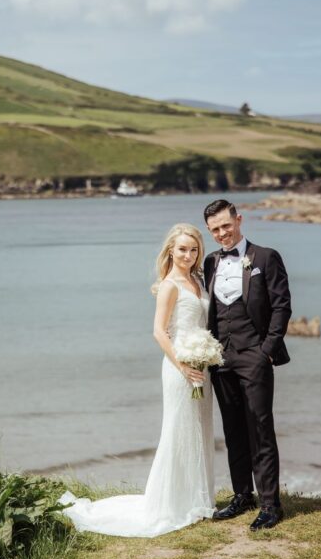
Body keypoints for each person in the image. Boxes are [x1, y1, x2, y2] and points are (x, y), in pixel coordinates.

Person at [60, 224, 215, 537]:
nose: (188, 254)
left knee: (200, 430)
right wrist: (183, 366)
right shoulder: (171, 284)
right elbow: (159, 331)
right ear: (171, 250)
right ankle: (171, 505)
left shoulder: (197, 279)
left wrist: (203, 357)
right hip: (179, 367)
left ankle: (197, 500)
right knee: (177, 430)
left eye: (194, 249)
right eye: (182, 249)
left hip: (202, 366)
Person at [202, 199, 291, 531]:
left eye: (227, 226)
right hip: (219, 358)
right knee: (233, 429)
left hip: (254, 355)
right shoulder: (210, 263)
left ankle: (270, 504)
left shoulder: (266, 257)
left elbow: (282, 306)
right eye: (215, 230)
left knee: (260, 428)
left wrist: (267, 350)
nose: (222, 234)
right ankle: (242, 495)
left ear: (239, 220)